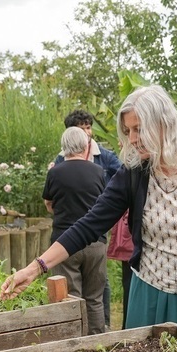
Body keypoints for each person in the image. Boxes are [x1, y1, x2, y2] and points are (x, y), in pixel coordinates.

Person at [0, 84, 177, 338]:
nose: (131, 138)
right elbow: (88, 225)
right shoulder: (134, 172)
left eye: (138, 129)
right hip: (157, 294)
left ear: (164, 123)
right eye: (128, 130)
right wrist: (34, 268)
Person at [52, 109, 122, 330]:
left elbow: (121, 181)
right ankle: (84, 333)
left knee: (99, 288)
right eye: (82, 129)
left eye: (88, 127)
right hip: (74, 233)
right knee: (82, 292)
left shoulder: (106, 157)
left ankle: (102, 330)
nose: (87, 133)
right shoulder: (61, 160)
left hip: (95, 229)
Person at [44, 127, 107, 334]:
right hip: (95, 242)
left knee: (69, 297)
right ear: (85, 146)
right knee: (95, 298)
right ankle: (98, 342)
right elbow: (105, 203)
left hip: (64, 243)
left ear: (64, 148)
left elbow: (48, 203)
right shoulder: (98, 171)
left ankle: (74, 341)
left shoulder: (54, 172)